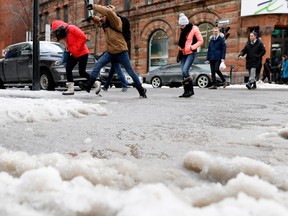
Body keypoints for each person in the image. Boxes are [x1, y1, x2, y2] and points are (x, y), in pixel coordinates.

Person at [80, 3, 147, 98]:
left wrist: (94, 6)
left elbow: (107, 12)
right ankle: (88, 85)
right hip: (111, 52)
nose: (101, 18)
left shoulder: (115, 21)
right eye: (101, 16)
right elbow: (99, 21)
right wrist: (92, 18)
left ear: (108, 15)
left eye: (103, 16)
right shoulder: (105, 23)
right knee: (98, 64)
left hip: (121, 52)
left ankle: (141, 90)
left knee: (130, 72)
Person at [51, 20, 101, 95]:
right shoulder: (64, 34)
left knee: (82, 72)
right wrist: (69, 49)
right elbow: (70, 43)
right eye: (56, 32)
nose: (57, 33)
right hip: (74, 54)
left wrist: (76, 48)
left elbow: (83, 37)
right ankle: (70, 89)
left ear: (61, 28)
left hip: (82, 52)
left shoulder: (72, 28)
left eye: (57, 31)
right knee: (68, 67)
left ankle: (96, 83)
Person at [177, 13, 203, 97]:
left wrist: (192, 47)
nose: (181, 27)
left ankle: (190, 90)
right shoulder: (182, 31)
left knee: (185, 70)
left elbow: (201, 40)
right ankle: (186, 91)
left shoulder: (194, 29)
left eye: (182, 25)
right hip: (183, 54)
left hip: (191, 53)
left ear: (186, 24)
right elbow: (181, 44)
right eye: (180, 25)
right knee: (183, 73)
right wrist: (179, 53)